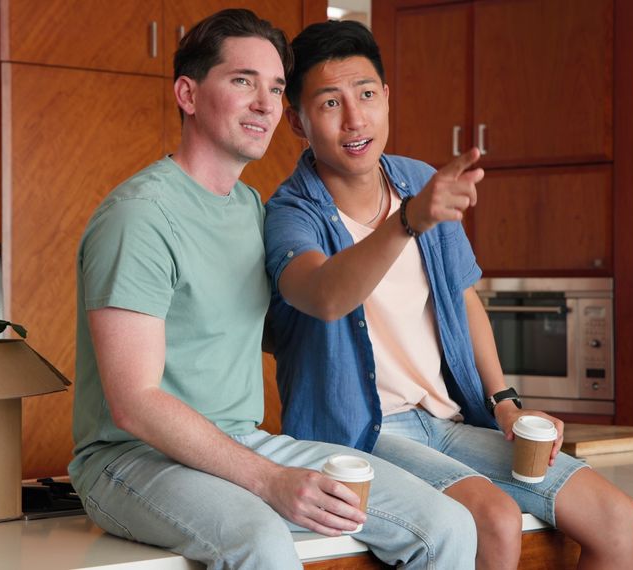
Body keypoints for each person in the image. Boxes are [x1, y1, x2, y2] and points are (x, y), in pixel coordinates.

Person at [68, 9, 478, 569]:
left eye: (276, 87)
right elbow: (134, 404)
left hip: (238, 439)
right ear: (188, 94)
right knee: (260, 541)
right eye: (243, 82)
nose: (265, 103)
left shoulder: (250, 210)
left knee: (447, 526)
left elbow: (310, 304)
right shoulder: (139, 217)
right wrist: (271, 480)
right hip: (130, 459)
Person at [264, 20, 633, 570]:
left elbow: (463, 300)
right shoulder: (290, 214)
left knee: (619, 520)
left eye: (367, 94)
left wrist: (506, 404)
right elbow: (325, 295)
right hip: (359, 436)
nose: (355, 119)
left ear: (387, 98)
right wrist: (407, 223)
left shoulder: (420, 181)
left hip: (449, 421)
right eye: (329, 103)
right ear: (298, 120)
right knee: (491, 517)